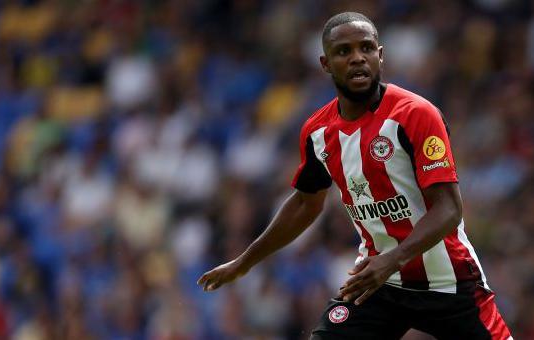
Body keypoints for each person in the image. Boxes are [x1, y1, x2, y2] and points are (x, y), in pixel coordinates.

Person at [198, 12, 512, 339]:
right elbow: (306, 204)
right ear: (325, 63)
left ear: (381, 55)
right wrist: (245, 262)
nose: (357, 58)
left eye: (366, 48)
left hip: (450, 282)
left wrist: (394, 259)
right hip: (378, 283)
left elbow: (449, 208)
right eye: (343, 51)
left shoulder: (416, 114)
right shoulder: (318, 132)